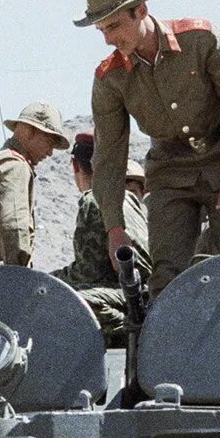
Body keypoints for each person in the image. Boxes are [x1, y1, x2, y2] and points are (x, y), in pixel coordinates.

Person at [81, 0, 220, 293]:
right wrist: (115, 228)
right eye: (101, 30)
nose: (108, 38)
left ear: (141, 11)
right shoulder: (110, 78)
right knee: (166, 280)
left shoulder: (202, 39)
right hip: (169, 173)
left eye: (114, 26)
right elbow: (108, 156)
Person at [52, 131, 151, 338]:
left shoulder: (94, 199)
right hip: (146, 293)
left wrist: (47, 282)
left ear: (75, 166)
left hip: (133, 299)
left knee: (71, 303)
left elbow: (89, 273)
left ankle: (137, 336)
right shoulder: (126, 199)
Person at [0, 102, 71, 271]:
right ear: (30, 131)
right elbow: (12, 224)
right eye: (49, 141)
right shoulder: (15, 165)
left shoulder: (1, 159)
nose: (50, 152)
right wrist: (19, 273)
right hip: (0, 273)